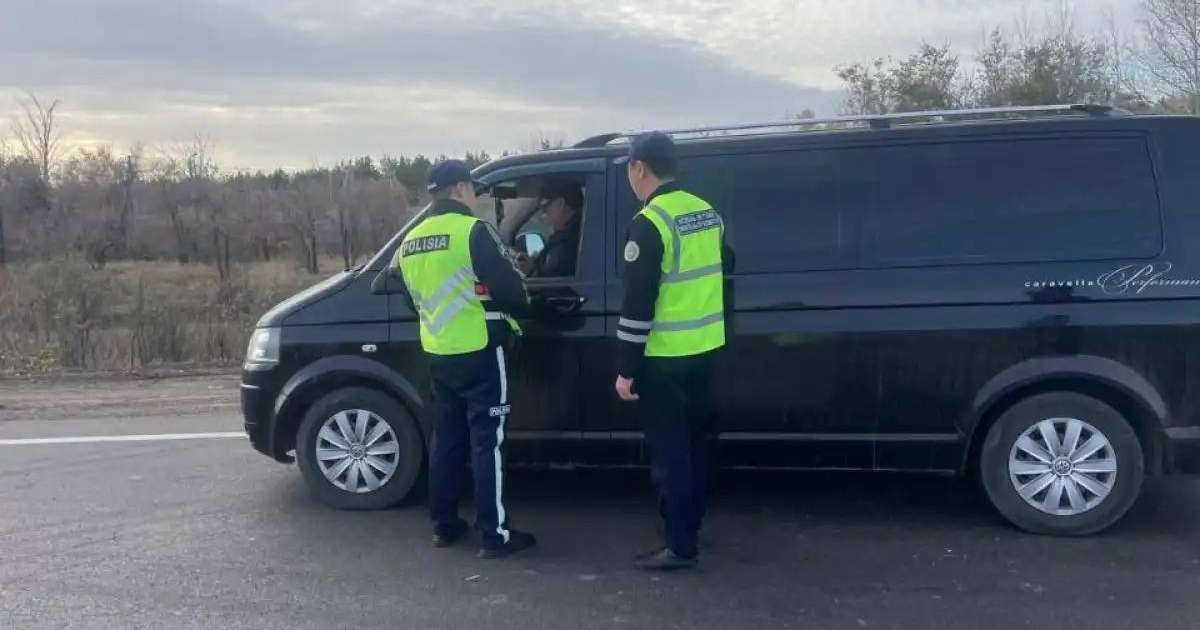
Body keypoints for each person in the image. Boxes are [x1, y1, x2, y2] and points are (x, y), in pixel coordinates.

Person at [393, 159, 537, 559]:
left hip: (439, 351)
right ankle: (494, 535)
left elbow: (411, 298)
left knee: (447, 441)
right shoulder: (472, 231)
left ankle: (444, 525)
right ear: (460, 189)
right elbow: (514, 293)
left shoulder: (411, 240)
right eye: (471, 188)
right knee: (487, 444)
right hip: (480, 350)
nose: (473, 195)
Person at [614, 132, 728, 571]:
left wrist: (626, 370)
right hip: (706, 351)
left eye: (629, 168)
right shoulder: (707, 213)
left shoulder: (651, 223)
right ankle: (690, 525)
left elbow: (637, 305)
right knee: (698, 449)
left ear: (639, 168)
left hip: (665, 360)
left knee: (671, 455)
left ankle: (680, 545)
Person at [517, 178, 583, 278]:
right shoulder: (578, 233)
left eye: (545, 207)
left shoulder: (567, 246)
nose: (542, 213)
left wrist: (531, 271)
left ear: (561, 203)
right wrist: (534, 263)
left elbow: (551, 288)